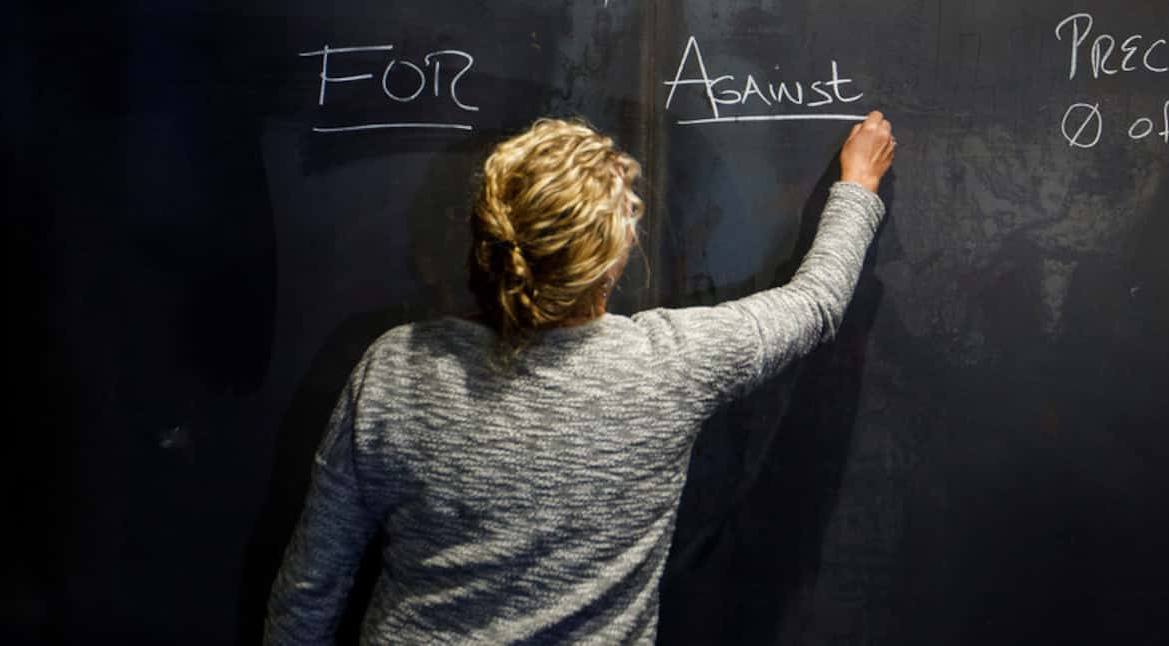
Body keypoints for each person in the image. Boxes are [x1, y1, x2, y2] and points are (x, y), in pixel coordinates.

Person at [265, 111, 895, 644]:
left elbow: (308, 594)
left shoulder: (397, 369)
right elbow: (815, 303)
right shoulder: (666, 367)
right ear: (612, 258)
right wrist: (859, 182)